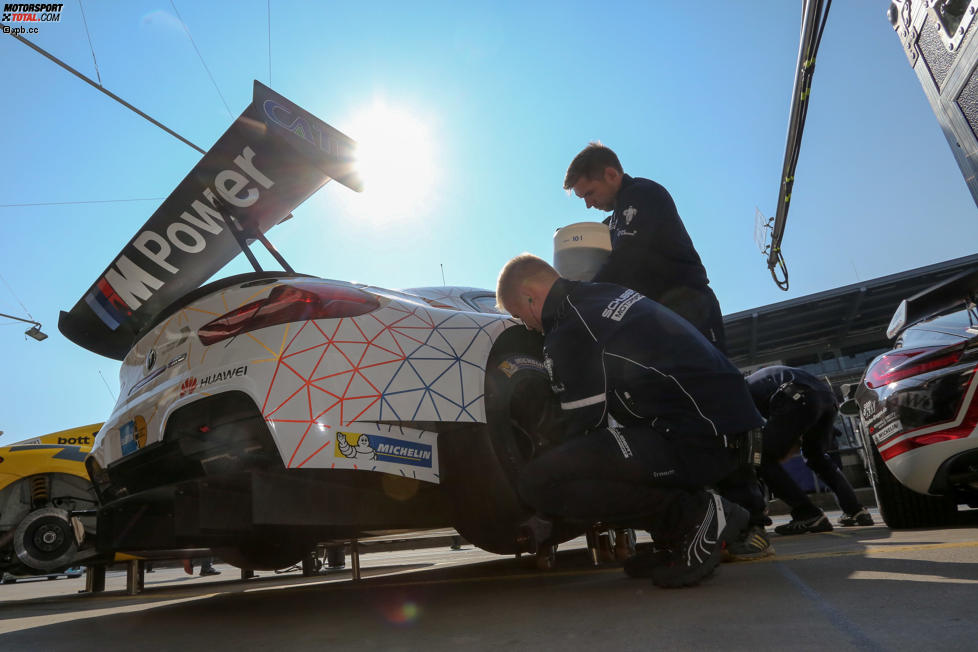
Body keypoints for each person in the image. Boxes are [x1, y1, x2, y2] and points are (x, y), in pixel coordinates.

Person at [496, 254, 763, 588]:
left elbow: (580, 426)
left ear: (531, 294)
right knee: (604, 451)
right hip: (723, 426)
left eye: (520, 314)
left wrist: (539, 480)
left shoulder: (570, 327)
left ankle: (695, 516)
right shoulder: (602, 294)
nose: (528, 325)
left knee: (540, 482)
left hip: (700, 437)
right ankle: (674, 537)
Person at [564, 143, 726, 352]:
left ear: (611, 174)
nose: (588, 204)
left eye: (589, 193)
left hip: (691, 311)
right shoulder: (615, 220)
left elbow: (625, 260)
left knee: (709, 381)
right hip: (663, 317)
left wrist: (582, 299)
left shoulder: (641, 195)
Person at [747, 365, 874, 534]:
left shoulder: (740, 391)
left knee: (761, 458)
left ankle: (807, 514)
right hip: (826, 399)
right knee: (816, 457)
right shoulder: (760, 382)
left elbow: (753, 433)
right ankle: (855, 510)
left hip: (795, 396)